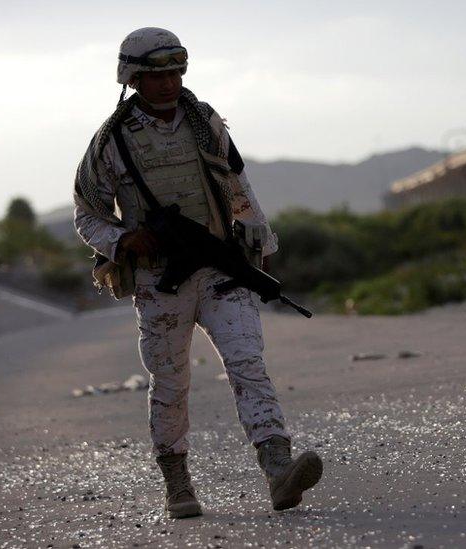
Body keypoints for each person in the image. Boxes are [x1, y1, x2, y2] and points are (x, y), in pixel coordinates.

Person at [73, 27, 322, 519]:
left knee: (248, 363)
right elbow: (88, 214)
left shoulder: (205, 122)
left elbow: (238, 187)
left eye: (174, 72)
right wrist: (122, 240)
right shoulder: (111, 141)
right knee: (169, 382)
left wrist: (260, 243)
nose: (168, 83)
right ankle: (177, 483)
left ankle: (279, 471)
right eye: (155, 75)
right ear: (133, 77)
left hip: (219, 267)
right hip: (157, 279)